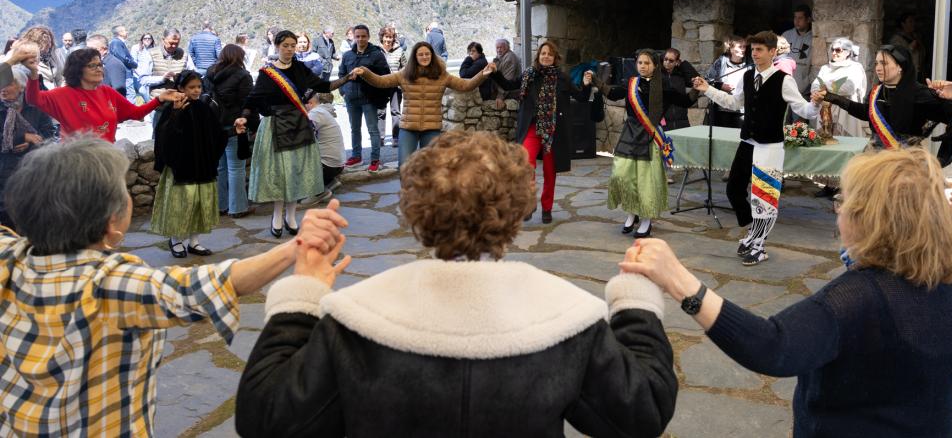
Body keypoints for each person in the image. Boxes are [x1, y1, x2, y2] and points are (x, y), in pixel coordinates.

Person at [235, 130, 677, 438]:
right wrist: (635, 306)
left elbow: (266, 420)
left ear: (414, 209)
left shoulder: (354, 321)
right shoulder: (568, 320)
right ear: (516, 211)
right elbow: (642, 413)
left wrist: (303, 296)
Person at [621, 146, 952, 437]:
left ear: (866, 219)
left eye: (843, 202)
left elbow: (773, 347)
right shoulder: (943, 281)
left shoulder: (857, 299)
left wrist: (677, 280)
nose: (838, 211)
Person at [0, 135, 348, 437]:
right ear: (111, 223)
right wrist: (298, 249)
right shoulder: (108, 284)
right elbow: (210, 284)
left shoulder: (9, 256)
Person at [693, 31, 820, 265]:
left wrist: (816, 103)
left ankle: (760, 246)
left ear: (773, 52)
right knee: (733, 189)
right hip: (747, 143)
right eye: (753, 50)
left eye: (760, 50)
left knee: (764, 197)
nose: (755, 54)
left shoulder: (784, 80)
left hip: (770, 146)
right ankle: (753, 231)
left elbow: (805, 111)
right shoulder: (748, 75)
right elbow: (734, 102)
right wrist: (707, 90)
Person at [236, 30, 359, 238]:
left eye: (293, 45)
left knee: (295, 172)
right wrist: (243, 117)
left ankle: (291, 216)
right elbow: (253, 99)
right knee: (279, 174)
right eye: (286, 45)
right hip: (275, 126)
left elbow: (324, 85)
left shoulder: (301, 69)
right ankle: (277, 215)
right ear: (277, 46)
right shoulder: (267, 74)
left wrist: (348, 77)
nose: (290, 49)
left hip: (298, 125)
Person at [593, 49, 694, 239]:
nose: (642, 66)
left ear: (655, 66)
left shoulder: (663, 86)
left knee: (646, 181)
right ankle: (632, 212)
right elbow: (613, 93)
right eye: (640, 63)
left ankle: (646, 219)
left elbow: (685, 101)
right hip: (630, 135)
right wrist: (596, 81)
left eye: (647, 63)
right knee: (623, 175)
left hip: (650, 137)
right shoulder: (631, 83)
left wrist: (697, 88)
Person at [490, 40, 591, 223]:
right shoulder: (529, 74)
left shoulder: (562, 78)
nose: (546, 57)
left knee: (550, 172)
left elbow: (581, 96)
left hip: (553, 131)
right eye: (543, 53)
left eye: (550, 54)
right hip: (532, 127)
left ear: (555, 58)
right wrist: (495, 72)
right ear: (538, 56)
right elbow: (508, 85)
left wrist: (586, 84)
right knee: (526, 165)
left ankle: (547, 208)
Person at [812, 44, 952, 163]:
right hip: (874, 159)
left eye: (884, 63)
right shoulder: (877, 92)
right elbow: (866, 113)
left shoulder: (921, 93)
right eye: (877, 63)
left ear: (900, 67)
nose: (878, 68)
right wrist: (833, 97)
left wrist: (945, 99)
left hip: (907, 163)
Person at [354, 41, 494, 167]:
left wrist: (483, 74)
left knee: (430, 167)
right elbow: (380, 81)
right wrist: (365, 73)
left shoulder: (442, 76)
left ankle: (425, 196)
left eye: (427, 54)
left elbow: (466, 85)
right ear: (415, 57)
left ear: (432, 56)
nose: (424, 57)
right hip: (408, 128)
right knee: (404, 166)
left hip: (431, 128)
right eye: (420, 54)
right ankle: (408, 195)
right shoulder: (404, 75)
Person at [16, 43, 181, 142]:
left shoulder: (107, 92)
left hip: (106, 158)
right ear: (78, 70)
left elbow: (136, 113)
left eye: (100, 64)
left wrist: (159, 99)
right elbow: (33, 99)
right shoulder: (63, 94)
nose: (99, 69)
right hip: (76, 161)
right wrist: (33, 74)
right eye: (92, 66)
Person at [149, 70, 228, 258]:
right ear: (181, 88)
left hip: (202, 165)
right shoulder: (171, 108)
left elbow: (215, 133)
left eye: (199, 87)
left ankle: (194, 241)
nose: (196, 91)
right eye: (191, 87)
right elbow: (163, 135)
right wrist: (176, 113)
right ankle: (175, 240)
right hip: (181, 166)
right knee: (182, 205)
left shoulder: (204, 108)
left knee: (200, 204)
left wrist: (233, 131)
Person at [204, 44, 255, 219]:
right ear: (239, 57)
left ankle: (220, 206)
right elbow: (248, 103)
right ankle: (238, 207)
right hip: (235, 127)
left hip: (214, 128)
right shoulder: (243, 76)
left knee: (220, 168)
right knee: (236, 168)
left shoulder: (209, 73)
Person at [0, 63, 52, 228]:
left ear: (21, 86)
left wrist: (32, 141)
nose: (2, 88)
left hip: (33, 172)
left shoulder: (35, 107)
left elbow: (50, 134)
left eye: (7, 84)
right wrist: (22, 136)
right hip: (4, 175)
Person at [338, 25, 391, 171]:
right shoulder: (348, 55)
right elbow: (341, 74)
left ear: (368, 37)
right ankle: (356, 156)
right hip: (351, 99)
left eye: (363, 36)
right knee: (354, 129)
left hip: (369, 99)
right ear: (354, 37)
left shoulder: (376, 55)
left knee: (373, 130)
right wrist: (344, 92)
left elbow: (385, 75)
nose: (360, 39)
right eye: (358, 36)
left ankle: (375, 160)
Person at [810, 37, 867, 138]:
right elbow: (815, 85)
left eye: (838, 50)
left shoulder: (855, 68)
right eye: (832, 49)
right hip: (825, 109)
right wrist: (818, 92)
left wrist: (825, 86)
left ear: (848, 52)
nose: (834, 53)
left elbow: (849, 87)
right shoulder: (825, 68)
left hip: (845, 110)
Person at [306, 91, 343, 204]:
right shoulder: (322, 111)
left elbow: (303, 137)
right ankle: (330, 182)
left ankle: (319, 192)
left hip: (328, 165)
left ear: (310, 103)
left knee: (297, 160)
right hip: (336, 164)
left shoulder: (314, 113)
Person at [706, 35, 750, 128]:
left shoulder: (750, 64)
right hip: (723, 110)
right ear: (731, 49)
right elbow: (707, 80)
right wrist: (721, 86)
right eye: (740, 47)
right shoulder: (721, 62)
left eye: (744, 47)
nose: (743, 49)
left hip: (742, 110)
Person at [378, 25, 407, 145]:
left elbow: (405, 67)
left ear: (393, 38)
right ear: (382, 37)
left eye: (390, 37)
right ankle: (380, 137)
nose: (388, 39)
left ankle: (396, 137)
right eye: (386, 37)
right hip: (380, 86)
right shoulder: (376, 51)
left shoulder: (400, 51)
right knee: (380, 112)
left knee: (395, 111)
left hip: (395, 86)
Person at [660, 48, 700, 132]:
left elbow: (697, 79)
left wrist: (683, 64)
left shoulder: (680, 75)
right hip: (663, 122)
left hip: (682, 121)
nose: (667, 62)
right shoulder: (657, 75)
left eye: (671, 61)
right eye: (665, 59)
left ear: (676, 62)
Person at [15, 25, 65, 90]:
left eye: (50, 42)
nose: (49, 45)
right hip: (37, 94)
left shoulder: (53, 55)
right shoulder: (27, 58)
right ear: (38, 43)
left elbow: (60, 77)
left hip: (54, 95)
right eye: (46, 43)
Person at [138, 28, 186, 95]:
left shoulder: (184, 55)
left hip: (179, 100)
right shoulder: (150, 54)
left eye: (176, 43)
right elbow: (143, 79)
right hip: (158, 100)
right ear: (163, 40)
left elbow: (192, 75)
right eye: (171, 43)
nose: (174, 46)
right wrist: (162, 78)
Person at [781, 4, 813, 95]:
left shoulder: (814, 39)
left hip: (804, 90)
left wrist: (807, 82)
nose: (796, 21)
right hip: (784, 86)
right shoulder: (786, 35)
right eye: (795, 17)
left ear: (808, 19)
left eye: (800, 18)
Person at [889, 11, 925, 79]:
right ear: (903, 24)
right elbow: (896, 56)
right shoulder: (896, 39)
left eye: (914, 21)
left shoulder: (915, 37)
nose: (913, 24)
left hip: (917, 73)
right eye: (910, 22)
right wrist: (910, 48)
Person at [491, 37, 522, 106]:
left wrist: (500, 97)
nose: (498, 50)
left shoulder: (509, 58)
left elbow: (507, 80)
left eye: (501, 48)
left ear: (507, 48)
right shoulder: (500, 56)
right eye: (497, 48)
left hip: (511, 92)